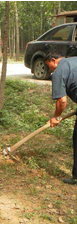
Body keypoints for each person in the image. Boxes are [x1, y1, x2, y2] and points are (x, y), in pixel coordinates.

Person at [45, 51, 77, 185]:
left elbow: (62, 101)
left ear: (54, 60)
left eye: (49, 66)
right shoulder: (74, 60)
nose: (50, 70)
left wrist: (55, 117)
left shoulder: (59, 71)